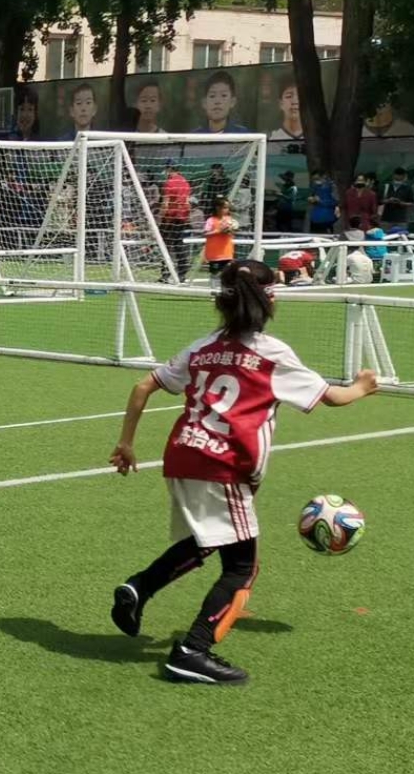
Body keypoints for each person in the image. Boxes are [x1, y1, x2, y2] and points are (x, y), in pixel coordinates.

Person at [107, 260, 376, 685]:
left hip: (182, 456)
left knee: (206, 541)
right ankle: (192, 651)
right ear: (270, 301)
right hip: (224, 467)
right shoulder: (271, 354)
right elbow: (333, 397)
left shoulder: (203, 347)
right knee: (242, 568)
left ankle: (139, 588)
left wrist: (126, 443)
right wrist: (362, 386)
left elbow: (143, 385)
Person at [159, 162, 192, 282]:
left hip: (170, 218)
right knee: (179, 245)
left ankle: (165, 274)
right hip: (181, 217)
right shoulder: (185, 183)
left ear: (169, 169)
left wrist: (160, 218)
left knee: (165, 246)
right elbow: (187, 203)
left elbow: (165, 203)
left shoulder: (169, 183)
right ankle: (182, 273)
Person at [202, 197, 237, 277]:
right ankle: (214, 284)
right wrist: (219, 231)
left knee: (227, 275)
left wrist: (231, 230)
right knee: (215, 275)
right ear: (217, 208)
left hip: (227, 253)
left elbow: (232, 233)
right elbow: (205, 234)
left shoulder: (229, 220)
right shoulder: (211, 220)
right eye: (225, 208)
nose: (227, 210)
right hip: (215, 254)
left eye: (227, 208)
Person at [379, 167, 413, 234]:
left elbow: (411, 203)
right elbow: (379, 201)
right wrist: (388, 200)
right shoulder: (386, 186)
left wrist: (401, 203)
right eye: (397, 175)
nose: (398, 177)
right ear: (394, 175)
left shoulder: (407, 188)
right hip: (386, 219)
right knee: (385, 238)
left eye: (401, 175)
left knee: (400, 238)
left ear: (403, 176)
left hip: (401, 219)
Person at [307, 170, 338, 234]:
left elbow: (335, 202)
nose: (315, 181)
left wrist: (320, 201)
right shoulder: (315, 187)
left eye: (317, 179)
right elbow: (312, 197)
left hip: (327, 220)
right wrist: (311, 200)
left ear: (324, 177)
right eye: (313, 179)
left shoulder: (332, 187)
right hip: (315, 219)